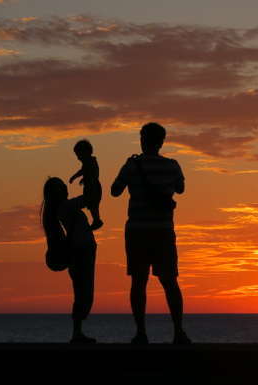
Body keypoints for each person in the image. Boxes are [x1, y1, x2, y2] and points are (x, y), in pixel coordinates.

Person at [111, 122, 191, 345]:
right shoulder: (172, 166)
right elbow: (181, 189)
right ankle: (178, 332)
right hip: (163, 231)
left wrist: (130, 172)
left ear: (142, 140)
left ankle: (141, 333)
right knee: (170, 282)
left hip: (137, 230)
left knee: (138, 282)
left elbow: (115, 191)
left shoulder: (131, 166)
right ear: (162, 141)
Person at [42, 177, 97, 344]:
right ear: (54, 193)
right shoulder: (65, 206)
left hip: (81, 251)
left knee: (82, 291)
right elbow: (89, 198)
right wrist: (91, 178)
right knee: (83, 292)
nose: (65, 188)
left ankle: (77, 332)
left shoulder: (63, 208)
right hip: (80, 252)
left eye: (63, 185)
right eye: (60, 187)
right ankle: (77, 332)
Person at [69, 139, 103, 230]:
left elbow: (91, 173)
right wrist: (83, 179)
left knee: (93, 204)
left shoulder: (90, 162)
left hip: (93, 187)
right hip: (91, 187)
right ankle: (96, 220)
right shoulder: (88, 162)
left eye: (79, 155)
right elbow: (86, 172)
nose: (78, 158)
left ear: (85, 152)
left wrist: (75, 177)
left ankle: (97, 220)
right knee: (92, 205)